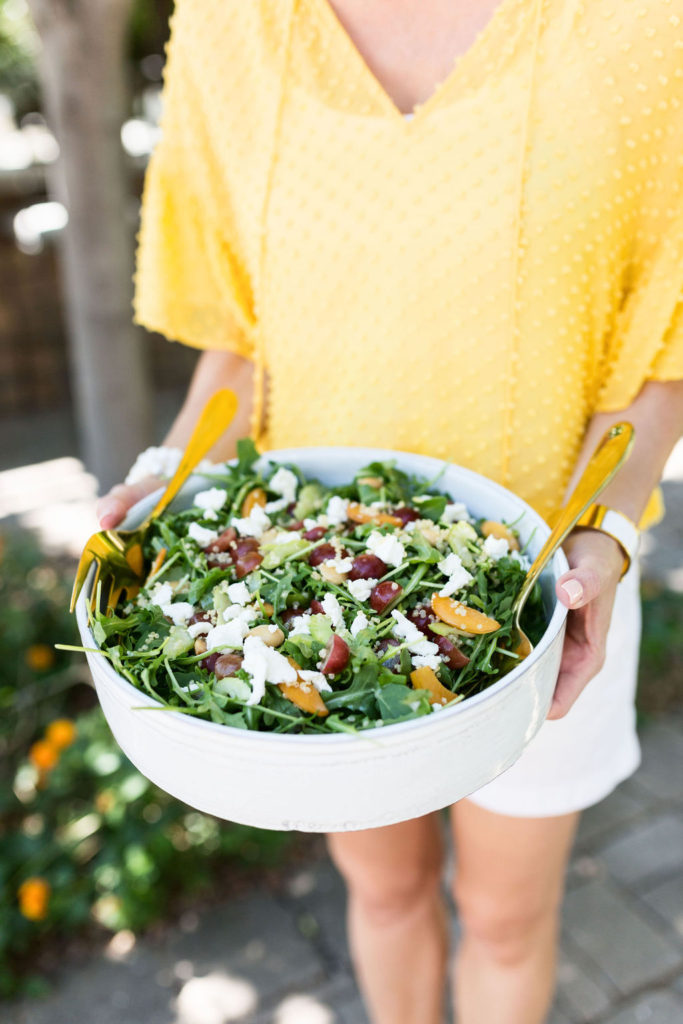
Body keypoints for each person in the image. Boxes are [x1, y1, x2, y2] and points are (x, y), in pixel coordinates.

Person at [97, 2, 683, 1021]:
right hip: (295, 584)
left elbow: (662, 341)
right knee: (384, 886)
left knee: (503, 919)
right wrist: (169, 472)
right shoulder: (234, 24)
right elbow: (243, 331)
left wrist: (604, 533)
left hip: (545, 586)